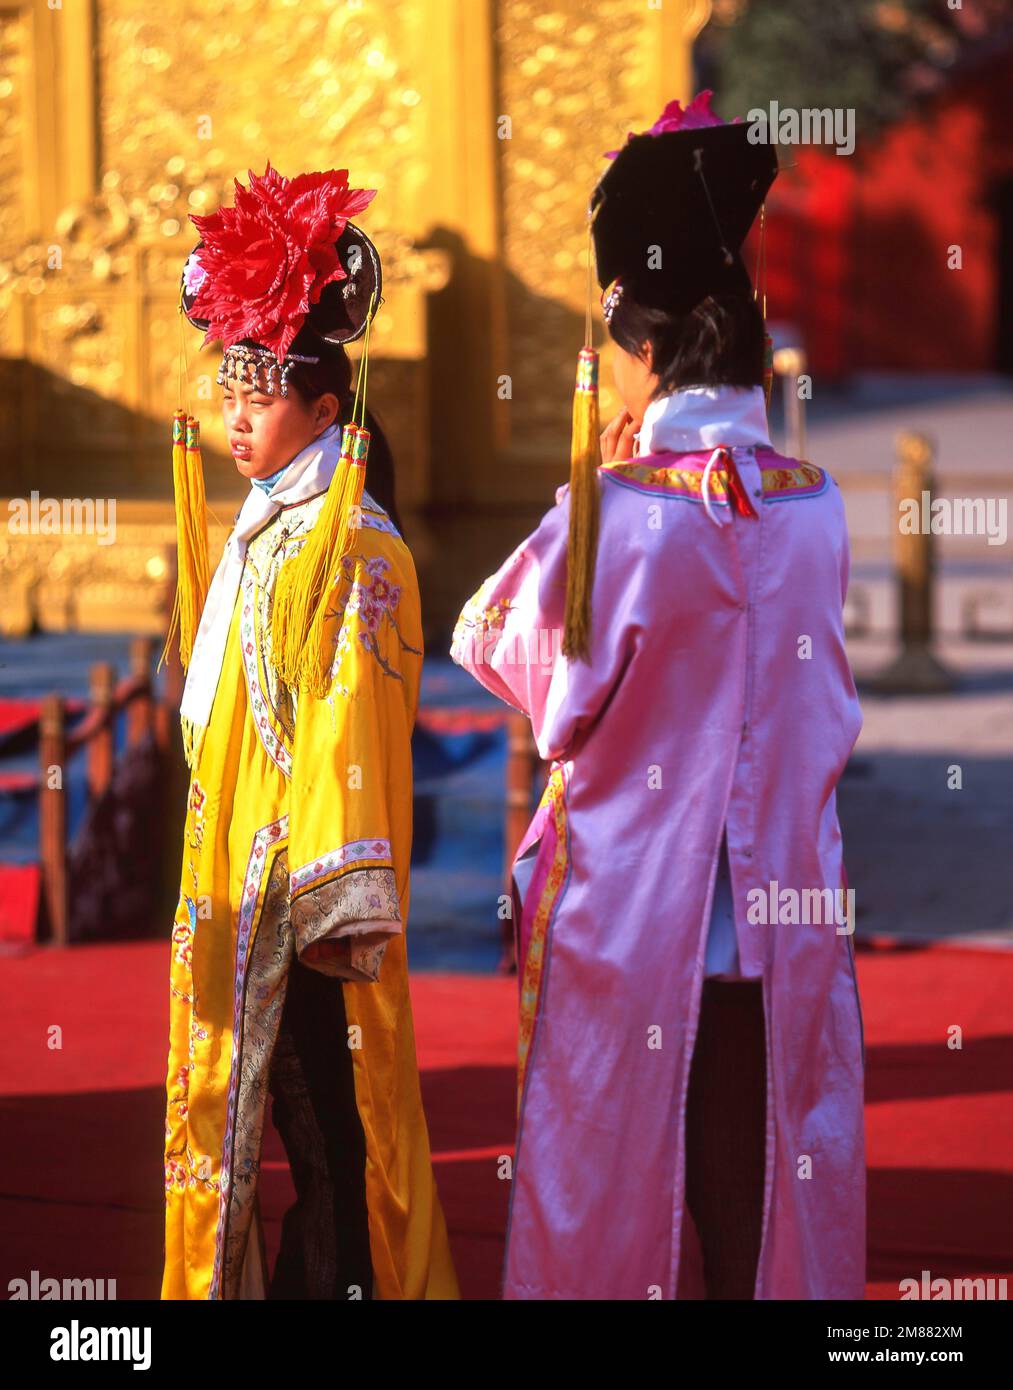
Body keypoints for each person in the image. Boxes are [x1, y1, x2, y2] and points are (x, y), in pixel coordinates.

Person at [450, 93, 866, 1300]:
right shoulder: (811, 498)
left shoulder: (617, 512)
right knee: (756, 1155)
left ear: (632, 347)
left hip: (635, 901)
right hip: (773, 893)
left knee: (613, 1154)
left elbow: (513, 655)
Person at [161, 161, 459, 1301]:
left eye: (263, 386)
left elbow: (352, 734)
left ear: (326, 406)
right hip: (237, 891)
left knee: (335, 1139)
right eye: (228, 381)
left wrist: (335, 904)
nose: (235, 411)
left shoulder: (354, 547)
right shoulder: (261, 534)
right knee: (258, 1126)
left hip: (305, 899)